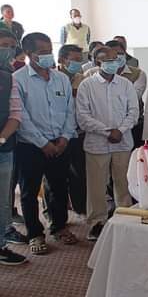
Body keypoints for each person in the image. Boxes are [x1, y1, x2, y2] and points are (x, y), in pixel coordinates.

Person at [15, 32, 78, 255]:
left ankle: (59, 226)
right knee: (29, 192)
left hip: (60, 143)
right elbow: (21, 116)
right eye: (42, 52)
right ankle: (35, 233)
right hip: (30, 146)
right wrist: (42, 143)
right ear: (28, 54)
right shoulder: (18, 79)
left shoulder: (61, 78)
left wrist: (65, 138)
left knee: (58, 187)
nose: (48, 56)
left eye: (49, 51)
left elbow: (70, 111)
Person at [76, 46, 138, 241]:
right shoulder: (87, 85)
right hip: (97, 143)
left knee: (123, 182)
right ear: (97, 62)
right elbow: (83, 117)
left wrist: (120, 130)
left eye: (116, 59)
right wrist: (107, 131)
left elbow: (133, 111)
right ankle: (97, 222)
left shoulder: (125, 84)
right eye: (109, 60)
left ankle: (124, 219)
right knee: (96, 185)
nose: (114, 63)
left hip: (123, 141)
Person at [0, 31, 26, 262]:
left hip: (3, 148)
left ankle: (1, 244)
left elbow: (15, 115)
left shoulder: (9, 79)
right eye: (3, 45)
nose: (7, 51)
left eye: (11, 46)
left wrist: (1, 139)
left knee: (2, 199)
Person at [57, 44, 87, 216]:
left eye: (80, 60)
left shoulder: (82, 79)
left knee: (79, 173)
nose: (78, 63)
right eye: (74, 60)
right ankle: (55, 214)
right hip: (57, 135)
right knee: (56, 177)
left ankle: (80, 207)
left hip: (78, 133)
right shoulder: (52, 78)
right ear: (62, 60)